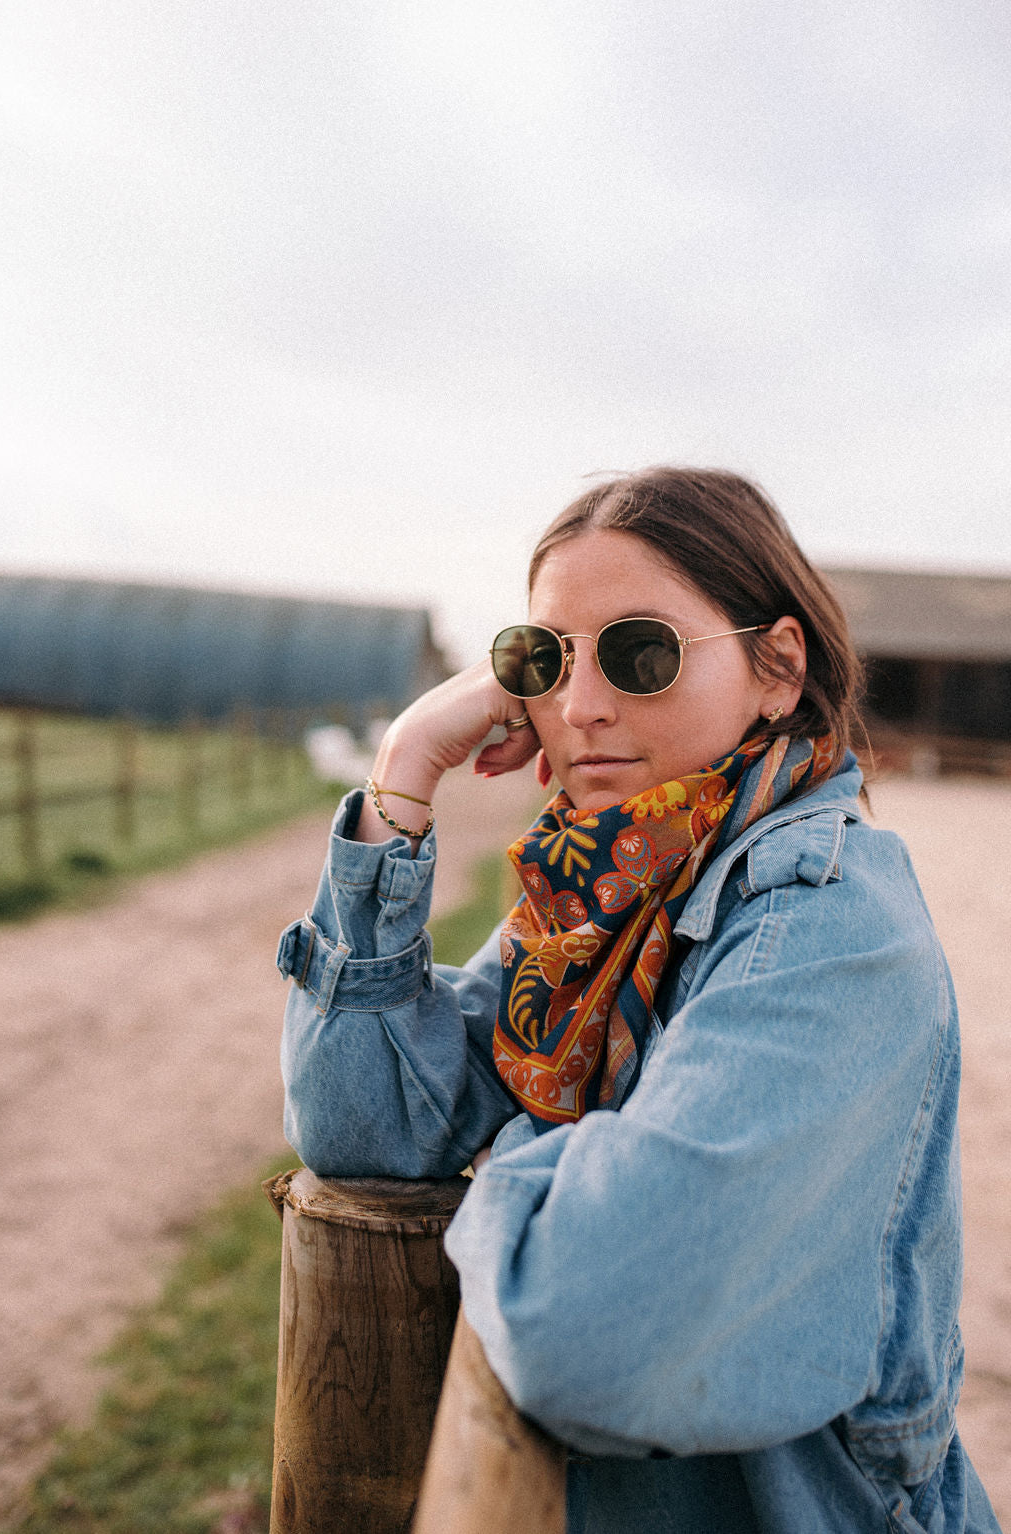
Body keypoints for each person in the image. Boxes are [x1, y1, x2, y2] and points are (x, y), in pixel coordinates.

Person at [278, 467, 1001, 1532]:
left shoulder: (830, 928)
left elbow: (589, 1326)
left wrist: (524, 1143)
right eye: (542, 658)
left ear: (776, 668)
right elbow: (362, 1124)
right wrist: (403, 775)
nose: (578, 705)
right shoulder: (600, 898)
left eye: (638, 652)